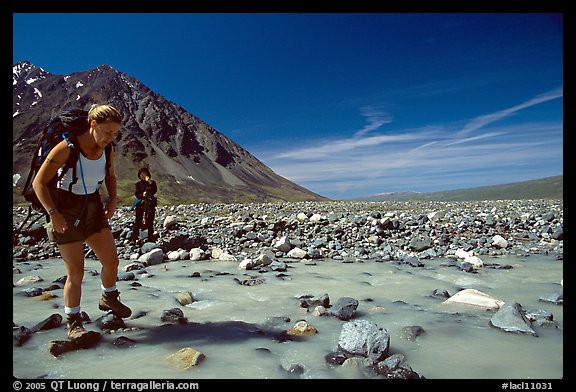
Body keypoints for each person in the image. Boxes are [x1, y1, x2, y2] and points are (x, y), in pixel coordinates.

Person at [32, 104, 131, 344]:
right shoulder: (67, 148)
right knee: (76, 272)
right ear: (93, 124)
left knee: (111, 261)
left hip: (94, 208)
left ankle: (109, 297)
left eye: (115, 133)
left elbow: (110, 176)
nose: (110, 138)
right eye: (107, 132)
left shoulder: (108, 150)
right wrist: (53, 214)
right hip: (65, 211)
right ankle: (74, 323)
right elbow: (39, 183)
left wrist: (113, 201)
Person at [130, 167, 158, 243]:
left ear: (148, 174)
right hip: (140, 204)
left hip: (150, 204)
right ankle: (133, 238)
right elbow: (137, 194)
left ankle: (150, 238)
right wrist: (142, 194)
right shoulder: (138, 184)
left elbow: (154, 191)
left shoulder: (152, 183)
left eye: (144, 174)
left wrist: (148, 182)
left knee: (150, 221)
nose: (143, 175)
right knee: (138, 221)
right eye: (141, 174)